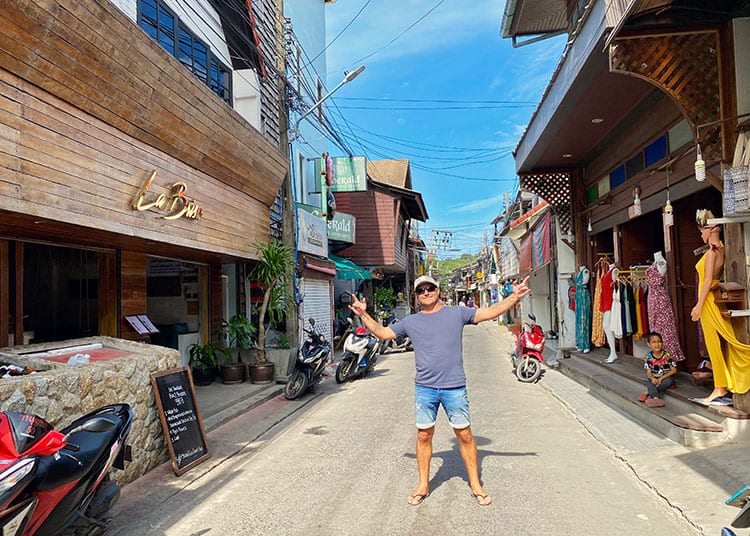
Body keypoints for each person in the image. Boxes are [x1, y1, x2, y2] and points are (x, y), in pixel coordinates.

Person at [348, 274, 531, 507]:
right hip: (425, 389)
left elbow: (491, 312)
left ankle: (475, 484)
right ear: (416, 296)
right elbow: (383, 333)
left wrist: (514, 297)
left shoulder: (457, 313)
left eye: (430, 288)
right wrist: (363, 315)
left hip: (454, 387)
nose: (426, 293)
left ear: (438, 289)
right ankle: (423, 484)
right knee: (424, 435)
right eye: (421, 290)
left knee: (464, 435)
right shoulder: (410, 322)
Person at [691, 209, 750, 403]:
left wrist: (698, 305)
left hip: (707, 300)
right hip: (709, 298)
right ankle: (720, 384)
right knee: (721, 340)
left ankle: (720, 387)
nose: (701, 234)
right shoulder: (721, 248)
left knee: (715, 343)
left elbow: (707, 280)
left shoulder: (711, 253)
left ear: (710, 229)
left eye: (702, 230)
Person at [637, 331, 677, 408]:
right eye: (654, 342)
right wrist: (652, 378)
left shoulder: (667, 355)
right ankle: (656, 398)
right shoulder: (648, 357)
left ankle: (648, 393)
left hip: (665, 377)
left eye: (659, 342)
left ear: (662, 343)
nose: (657, 344)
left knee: (670, 381)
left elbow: (674, 370)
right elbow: (648, 371)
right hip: (655, 378)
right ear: (649, 344)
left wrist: (661, 378)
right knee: (648, 381)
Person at [574, 266, 591, 353]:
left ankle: (586, 344)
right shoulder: (579, 272)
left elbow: (584, 282)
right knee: (579, 321)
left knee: (584, 319)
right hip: (579, 296)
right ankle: (580, 344)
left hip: (583, 296)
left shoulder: (585, 271)